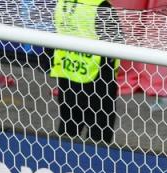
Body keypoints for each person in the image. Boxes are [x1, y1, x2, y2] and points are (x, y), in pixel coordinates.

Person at [50, 0, 120, 145]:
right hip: (98, 83)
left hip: (68, 78)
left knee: (67, 135)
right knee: (98, 143)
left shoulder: (63, 3)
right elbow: (117, 44)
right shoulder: (101, 5)